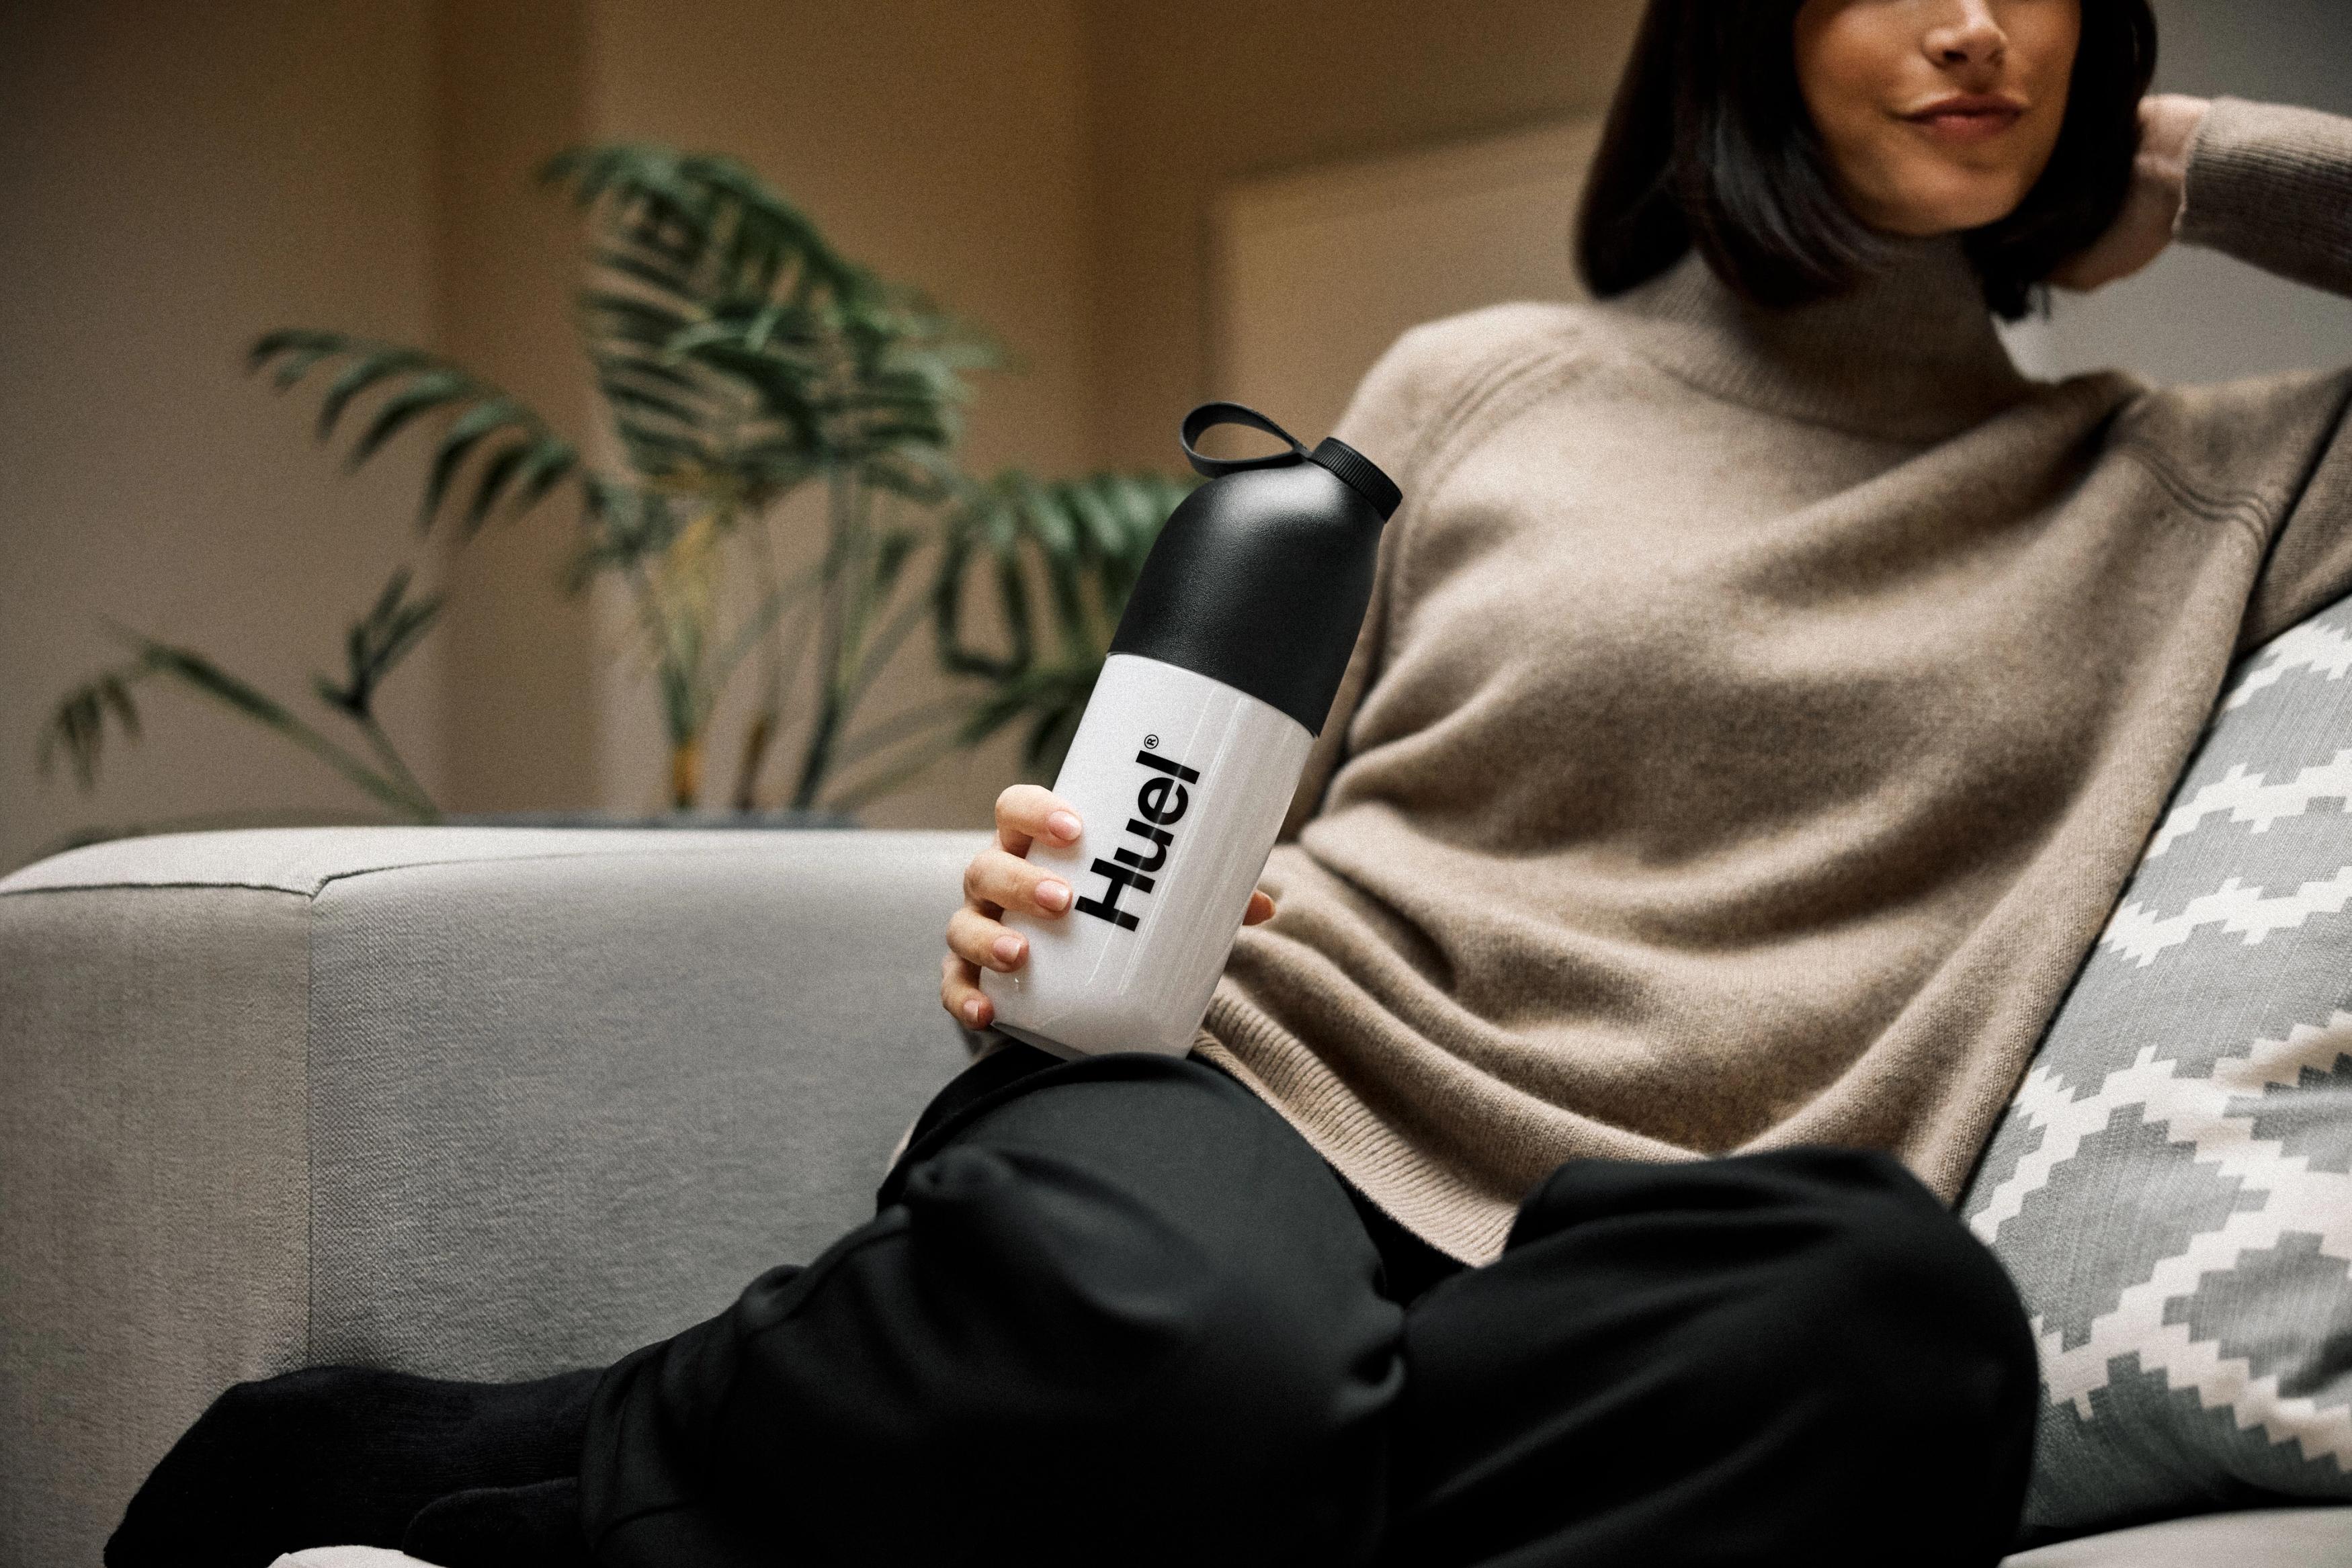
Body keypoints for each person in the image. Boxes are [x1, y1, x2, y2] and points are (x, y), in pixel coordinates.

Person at [110, 2, 2352, 1565]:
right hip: (1248, 1110)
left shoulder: (2185, 487)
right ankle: (528, 1464)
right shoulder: (1487, 386)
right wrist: (1045, 890)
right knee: (1212, 1355)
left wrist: (2184, 160)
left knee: (1905, 1338)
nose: (1973, 24)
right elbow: (1212, 784)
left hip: (1640, 1256)